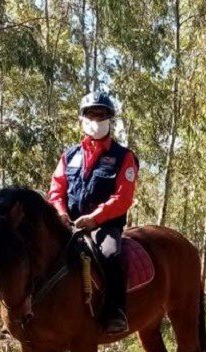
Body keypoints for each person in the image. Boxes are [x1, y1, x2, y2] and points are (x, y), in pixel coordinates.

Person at [47, 91, 139, 335]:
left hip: (104, 226)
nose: (96, 120)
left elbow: (123, 197)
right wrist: (60, 212)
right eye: (91, 114)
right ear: (82, 118)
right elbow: (57, 189)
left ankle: (115, 311)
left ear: (111, 120)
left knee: (110, 254)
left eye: (102, 115)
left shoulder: (123, 157)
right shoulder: (69, 156)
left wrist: (95, 218)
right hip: (69, 224)